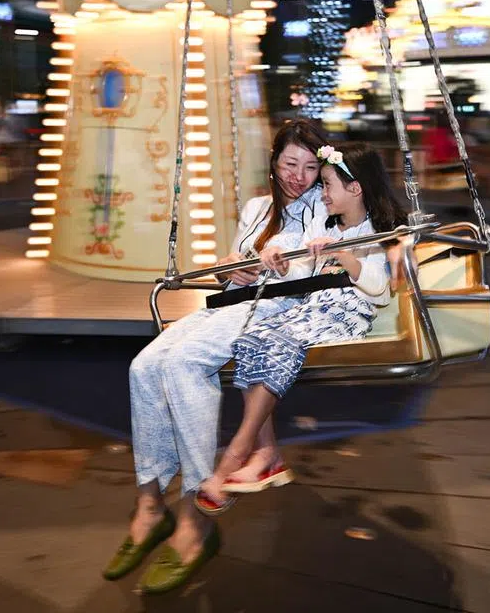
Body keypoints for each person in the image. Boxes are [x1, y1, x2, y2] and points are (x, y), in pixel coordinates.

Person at [102, 119, 330, 594]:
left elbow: (317, 266)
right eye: (291, 163)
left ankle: (196, 514)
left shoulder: (324, 209)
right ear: (274, 161)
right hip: (234, 304)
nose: (299, 175)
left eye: (310, 166)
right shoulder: (256, 207)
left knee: (184, 365)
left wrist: (286, 262)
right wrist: (238, 273)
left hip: (276, 310)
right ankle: (149, 504)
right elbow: (233, 268)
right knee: (143, 365)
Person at [195, 144, 407, 512]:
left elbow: (379, 288)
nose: (321, 194)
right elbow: (302, 274)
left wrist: (347, 254)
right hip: (312, 308)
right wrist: (278, 263)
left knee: (278, 341)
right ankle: (267, 456)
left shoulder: (378, 231)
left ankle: (236, 454)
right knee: (251, 339)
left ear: (355, 188)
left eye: (327, 185)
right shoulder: (324, 225)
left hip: (346, 314)